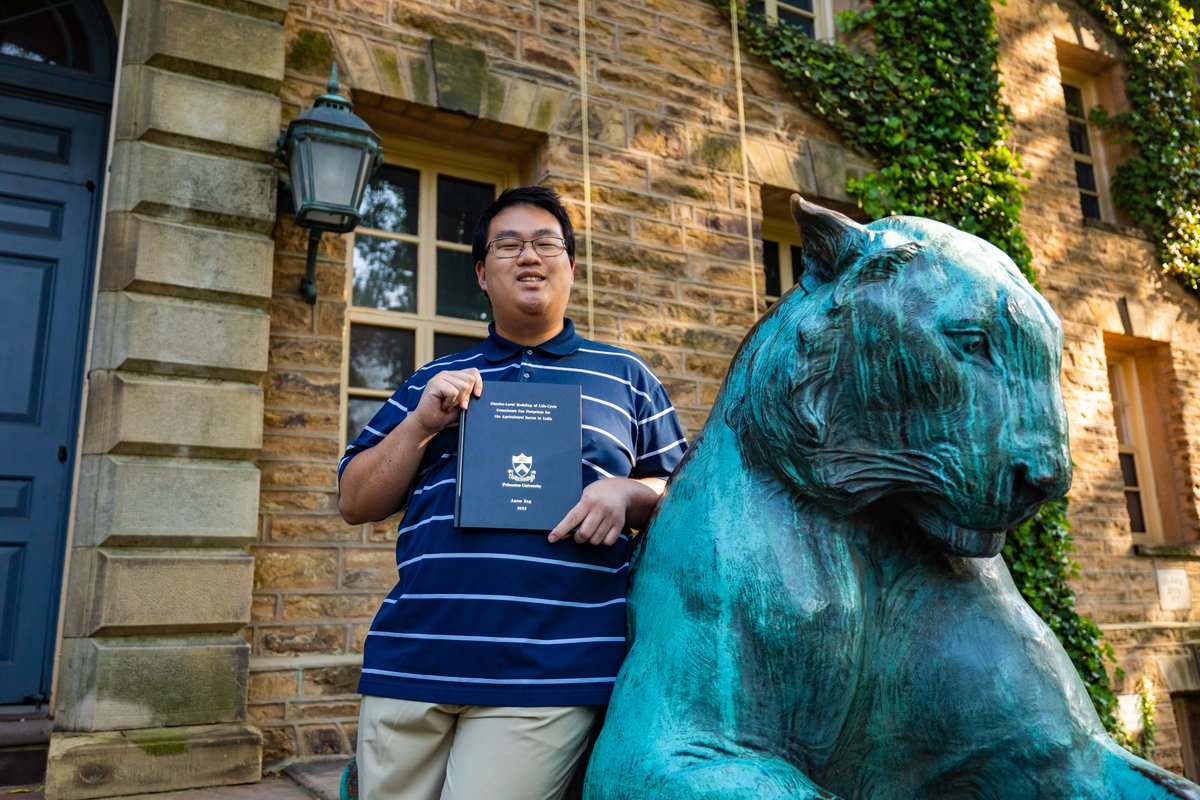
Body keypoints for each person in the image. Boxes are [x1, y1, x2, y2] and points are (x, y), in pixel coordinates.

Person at [337, 186, 688, 800]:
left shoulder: (628, 377)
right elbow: (355, 501)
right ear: (480, 272)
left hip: (548, 672)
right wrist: (421, 424)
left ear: (570, 266)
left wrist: (630, 493)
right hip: (413, 657)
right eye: (508, 245)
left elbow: (687, 500)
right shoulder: (430, 380)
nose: (529, 256)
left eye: (546, 243)